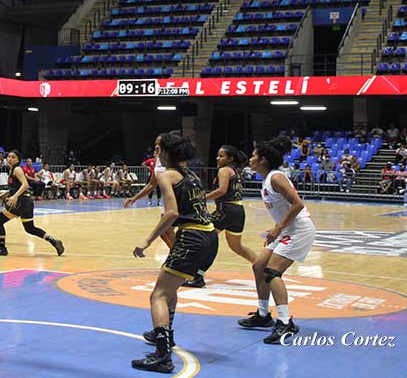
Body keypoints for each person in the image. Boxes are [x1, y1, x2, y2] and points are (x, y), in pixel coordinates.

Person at [130, 133, 218, 373]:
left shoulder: (166, 175)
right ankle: (165, 335)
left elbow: (170, 213)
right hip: (209, 236)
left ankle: (162, 355)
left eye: (159, 150)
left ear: (167, 153)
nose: (156, 153)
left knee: (157, 295)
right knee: (169, 286)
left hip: (192, 236)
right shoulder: (192, 175)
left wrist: (147, 240)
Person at [238, 136, 316, 344]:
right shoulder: (267, 178)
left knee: (272, 272)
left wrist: (278, 227)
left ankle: (285, 322)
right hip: (286, 229)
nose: (250, 160)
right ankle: (263, 315)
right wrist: (278, 228)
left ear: (262, 159)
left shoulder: (276, 178)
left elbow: (298, 204)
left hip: (299, 229)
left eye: (254, 156)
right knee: (258, 266)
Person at [184, 145, 257, 289]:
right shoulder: (235, 170)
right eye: (218, 155)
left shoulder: (224, 170)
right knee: (237, 247)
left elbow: (222, 190)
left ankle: (198, 276)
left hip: (226, 210)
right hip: (238, 210)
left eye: (221, 156)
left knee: (204, 239)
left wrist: (203, 198)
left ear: (230, 158)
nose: (218, 158)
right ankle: (263, 267)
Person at [0, 150, 64, 257]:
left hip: (20, 202)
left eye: (13, 157)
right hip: (27, 202)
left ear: (18, 160)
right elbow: (17, 186)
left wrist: (14, 196)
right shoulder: (13, 170)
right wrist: (7, 194)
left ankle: (2, 248)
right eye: (9, 157)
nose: (10, 159)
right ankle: (54, 241)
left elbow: (25, 185)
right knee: (30, 228)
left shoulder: (17, 169)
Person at [124, 135, 176, 249]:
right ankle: (176, 254)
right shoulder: (157, 160)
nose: (156, 146)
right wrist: (134, 198)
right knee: (164, 232)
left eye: (159, 144)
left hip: (178, 199)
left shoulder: (175, 160)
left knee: (167, 229)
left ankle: (179, 256)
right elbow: (152, 184)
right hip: (167, 200)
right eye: (155, 144)